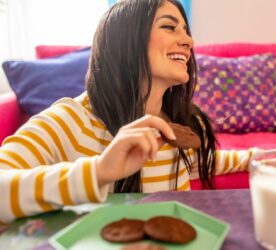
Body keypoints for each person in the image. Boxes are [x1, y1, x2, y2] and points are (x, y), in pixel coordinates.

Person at [0, 0, 258, 223]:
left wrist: (260, 158)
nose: (189, 40)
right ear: (125, 40)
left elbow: (196, 160)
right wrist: (99, 171)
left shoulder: (179, 125)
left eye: (186, 30)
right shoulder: (71, 121)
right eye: (169, 26)